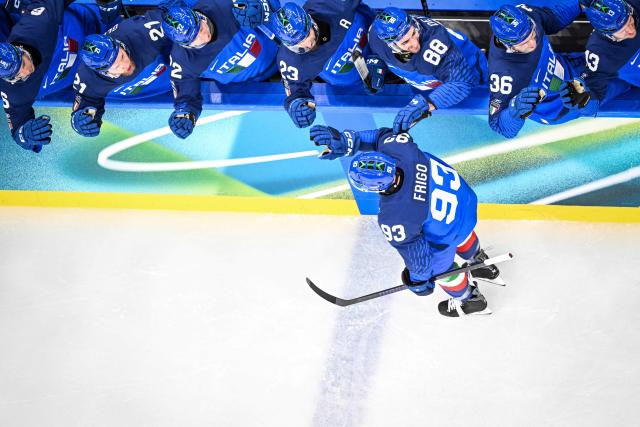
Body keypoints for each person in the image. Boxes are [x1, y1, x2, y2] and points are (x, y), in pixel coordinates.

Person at [309, 124, 502, 317]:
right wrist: (348, 141)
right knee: (458, 230)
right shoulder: (402, 150)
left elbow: (420, 263)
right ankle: (481, 262)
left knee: (438, 268)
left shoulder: (395, 217)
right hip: (465, 203)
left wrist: (420, 284)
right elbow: (380, 136)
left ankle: (471, 301)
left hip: (447, 231)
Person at [0, 0, 111, 152]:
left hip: (93, 24)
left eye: (23, 64)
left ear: (19, 49)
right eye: (16, 76)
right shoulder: (11, 91)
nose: (25, 72)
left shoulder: (37, 24)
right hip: (88, 72)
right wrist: (25, 135)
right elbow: (18, 130)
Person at [160, 0, 279, 139]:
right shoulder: (183, 59)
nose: (204, 36)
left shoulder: (223, 4)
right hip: (245, 88)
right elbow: (185, 93)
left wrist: (260, 9)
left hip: (279, 58)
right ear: (184, 45)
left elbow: (274, 7)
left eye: (201, 28)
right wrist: (185, 114)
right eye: (195, 39)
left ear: (198, 16)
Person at [367, 7, 488, 134]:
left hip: (468, 73)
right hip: (431, 83)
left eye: (414, 33)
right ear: (390, 44)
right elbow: (378, 53)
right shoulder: (375, 36)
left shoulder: (434, 44)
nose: (415, 44)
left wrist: (426, 104)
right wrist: (376, 66)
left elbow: (461, 83)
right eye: (406, 42)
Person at [486, 3, 586, 139]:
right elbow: (499, 126)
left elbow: (553, 19)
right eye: (524, 43)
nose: (533, 43)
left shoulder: (526, 17)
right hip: (561, 105)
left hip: (569, 66)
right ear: (508, 45)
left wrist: (579, 4)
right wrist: (515, 111)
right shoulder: (505, 74)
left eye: (532, 34)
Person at [270, 1, 374, 128]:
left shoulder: (330, 4)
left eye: (307, 35)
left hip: (384, 43)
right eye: (297, 44)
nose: (307, 44)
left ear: (310, 21)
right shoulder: (289, 61)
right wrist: (298, 106)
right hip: (348, 87)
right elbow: (296, 92)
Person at [71, 8, 173, 138]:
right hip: (147, 96)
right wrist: (81, 122)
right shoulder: (88, 79)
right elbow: (86, 106)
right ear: (104, 72)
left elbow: (175, 18)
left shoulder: (144, 31)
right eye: (117, 67)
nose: (126, 65)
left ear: (120, 46)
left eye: (122, 56)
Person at [571, 0, 640, 116]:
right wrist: (584, 101)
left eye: (630, 21)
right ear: (607, 34)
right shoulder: (599, 52)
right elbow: (593, 99)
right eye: (622, 31)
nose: (631, 30)